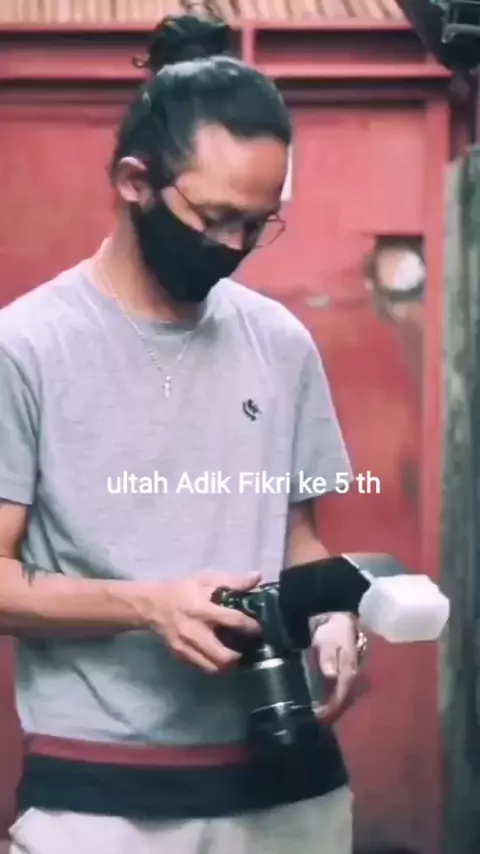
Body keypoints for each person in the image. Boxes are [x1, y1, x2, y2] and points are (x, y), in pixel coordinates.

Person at [0, 12, 360, 854]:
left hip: (289, 784)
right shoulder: (26, 347)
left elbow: (297, 537)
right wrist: (146, 606)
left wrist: (332, 615)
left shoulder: (281, 343)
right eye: (215, 217)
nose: (235, 246)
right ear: (135, 181)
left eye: (257, 224)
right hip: (101, 800)